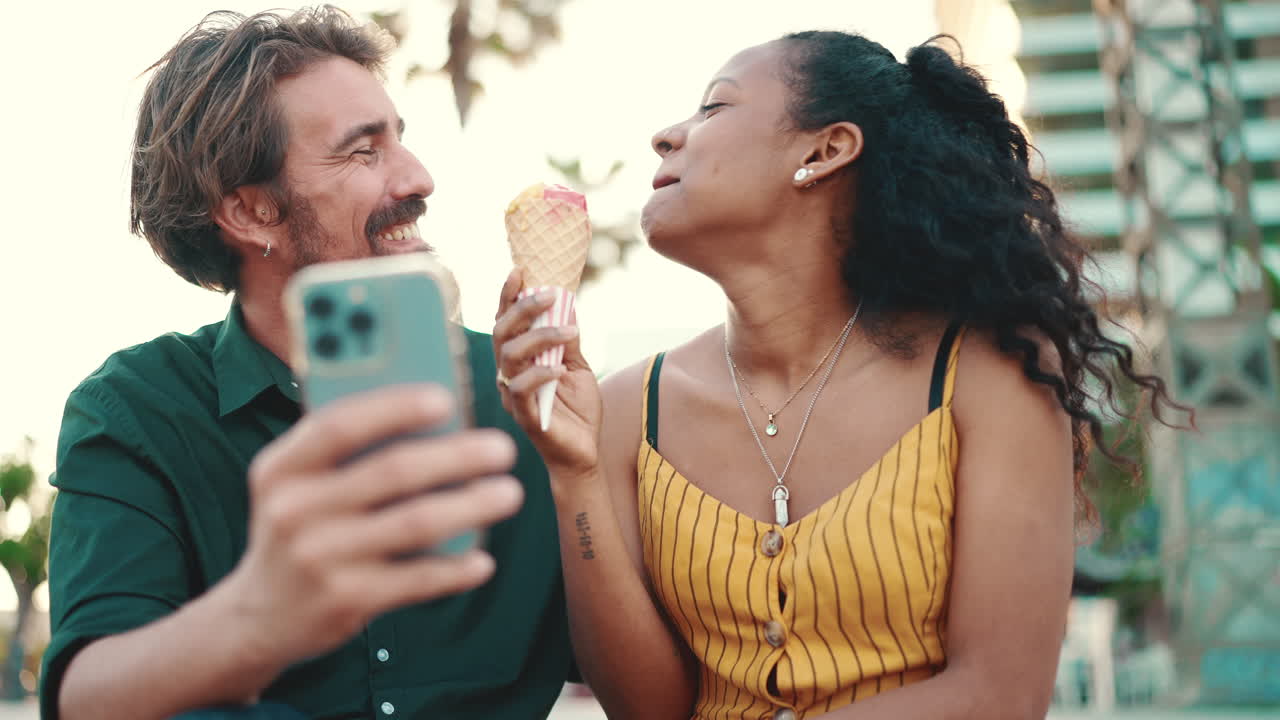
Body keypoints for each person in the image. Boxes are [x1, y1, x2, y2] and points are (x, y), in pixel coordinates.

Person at [494, 31, 1186, 720]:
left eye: (713, 109)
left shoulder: (989, 376)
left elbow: (999, 696)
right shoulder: (621, 407)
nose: (666, 136)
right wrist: (573, 474)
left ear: (823, 151)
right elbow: (651, 710)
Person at [42, 8, 575, 720]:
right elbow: (86, 700)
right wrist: (259, 611)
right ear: (252, 212)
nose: (419, 178)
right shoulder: (137, 409)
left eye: (401, 143)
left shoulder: (528, 395)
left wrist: (584, 481)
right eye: (364, 152)